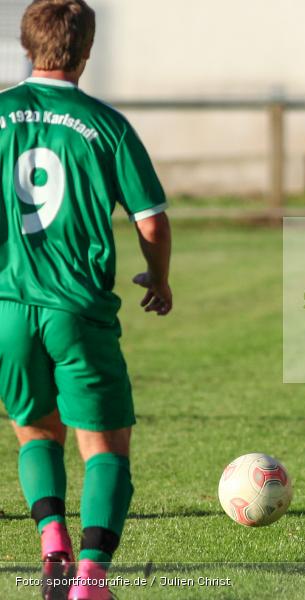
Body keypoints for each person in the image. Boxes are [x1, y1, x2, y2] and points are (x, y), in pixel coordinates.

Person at [0, 1, 172, 598]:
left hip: (7, 308)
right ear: (87, 50)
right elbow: (150, 219)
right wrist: (159, 277)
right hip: (77, 308)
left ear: (27, 45)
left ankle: (53, 546)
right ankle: (92, 576)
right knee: (106, 445)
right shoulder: (107, 125)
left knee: (34, 429)